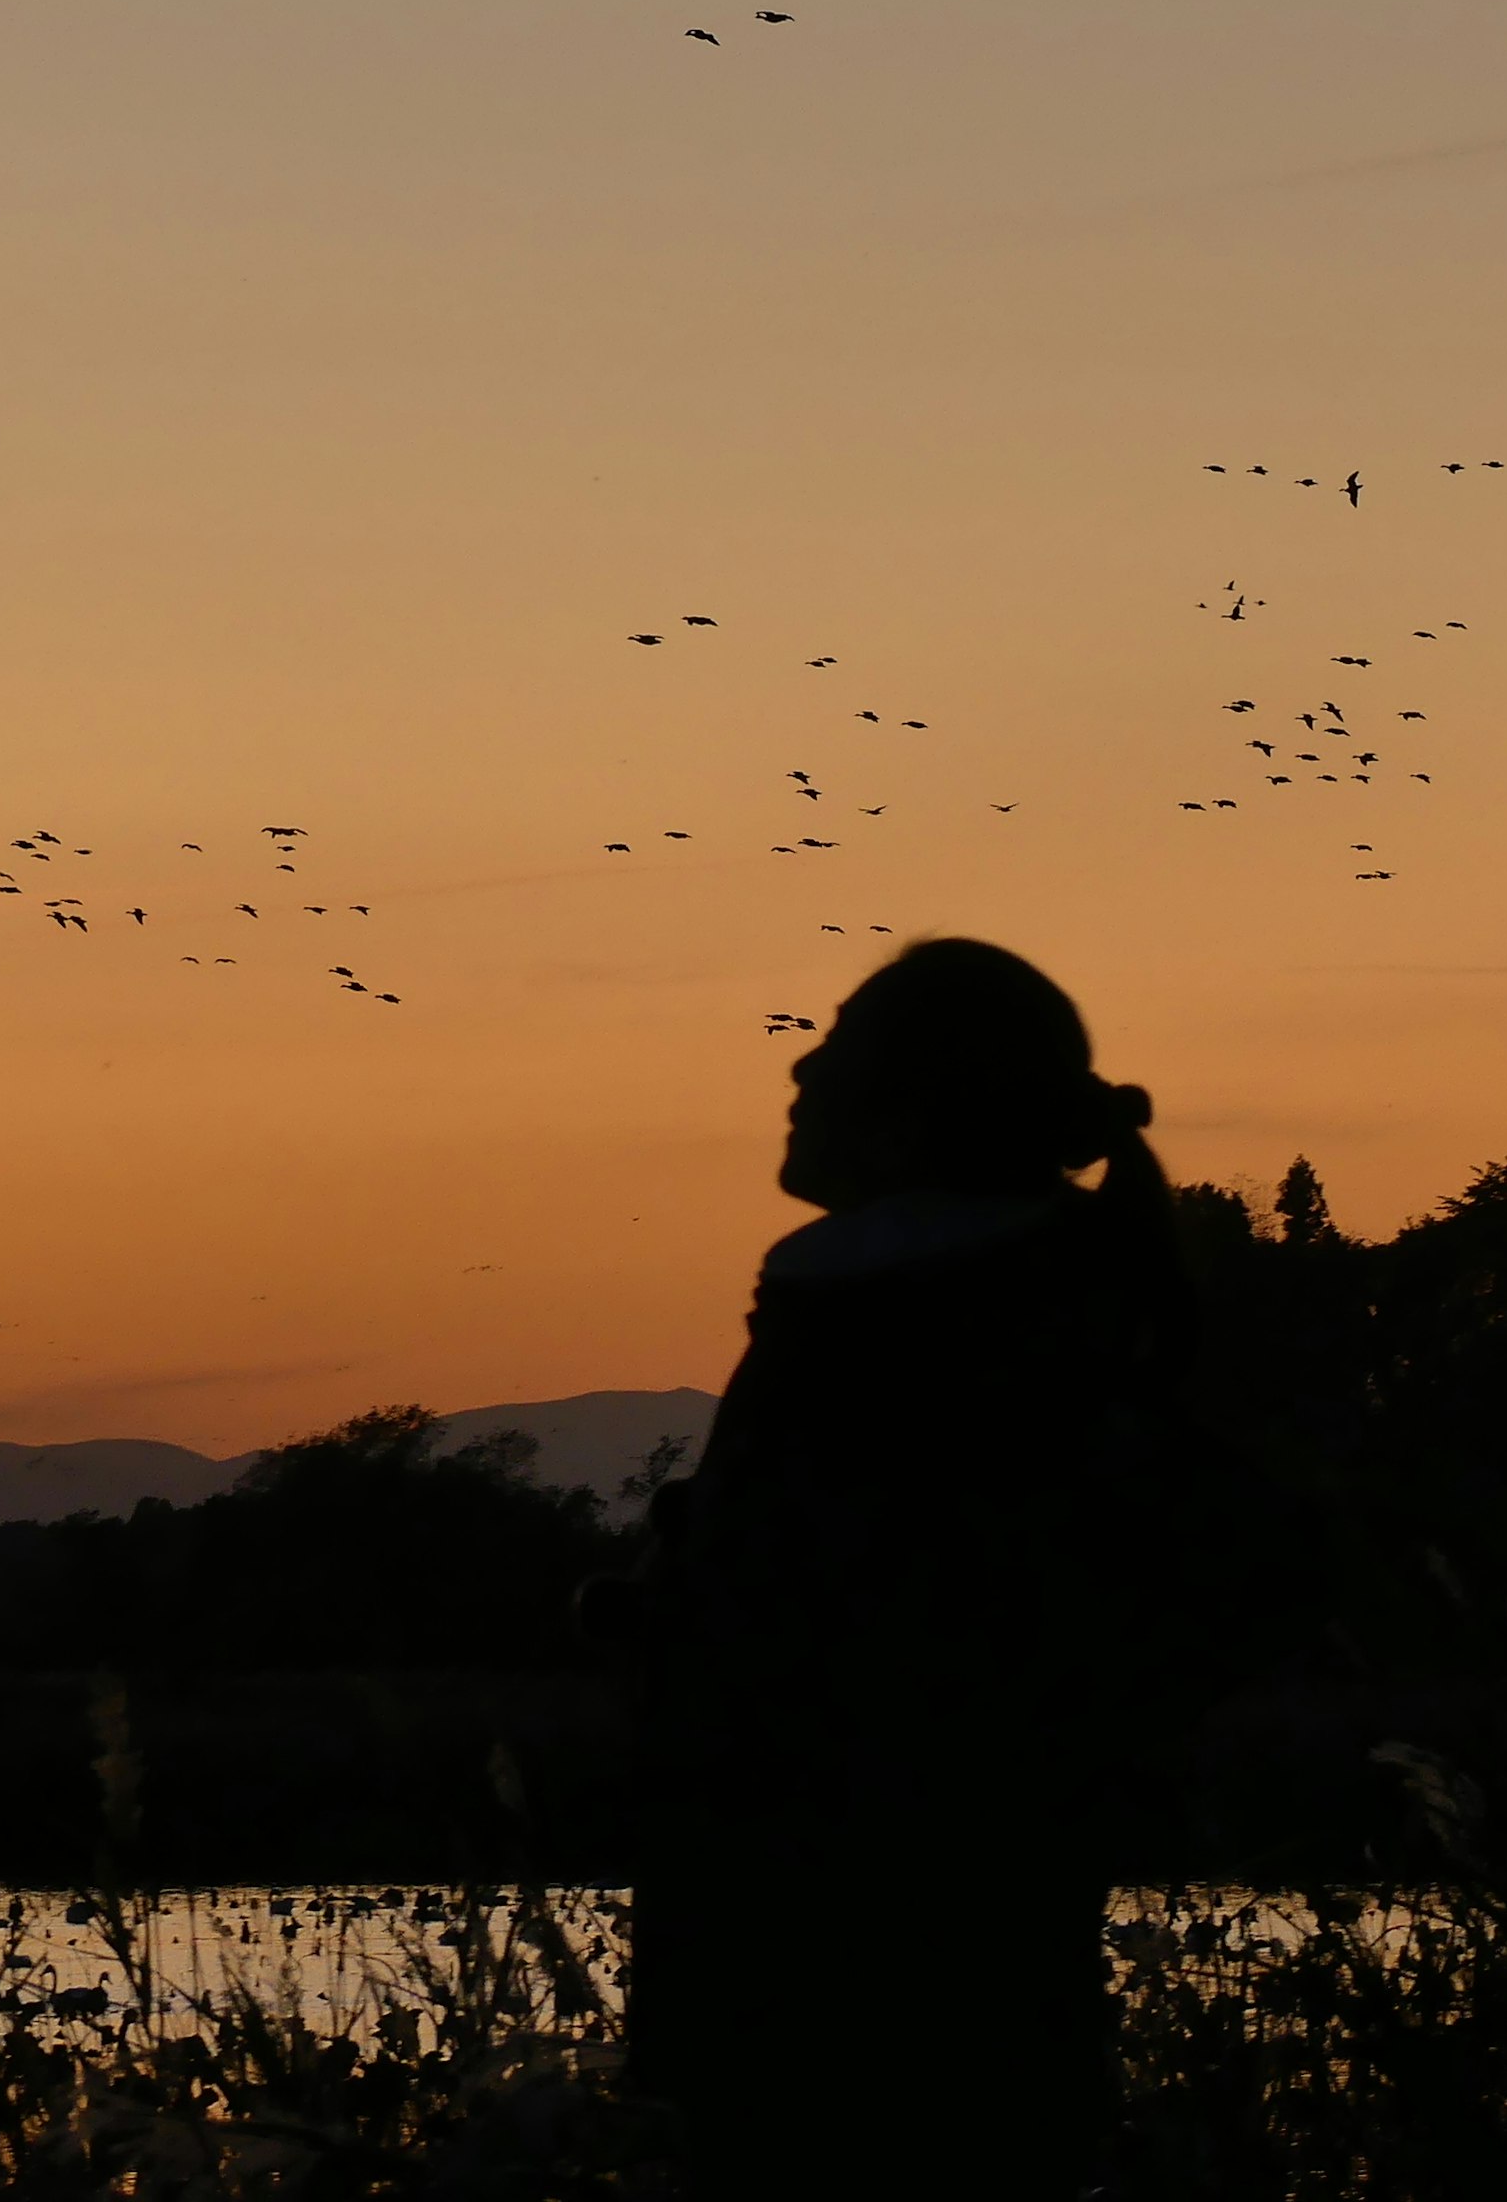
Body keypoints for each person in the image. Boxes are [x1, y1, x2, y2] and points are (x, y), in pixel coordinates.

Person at [614, 939, 1183, 2202]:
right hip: (973, 1982)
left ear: (912, 1110)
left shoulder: (902, 1331)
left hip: (848, 1986)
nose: (802, 1065)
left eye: (839, 1044)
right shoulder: (1049, 1311)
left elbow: (834, 1657)